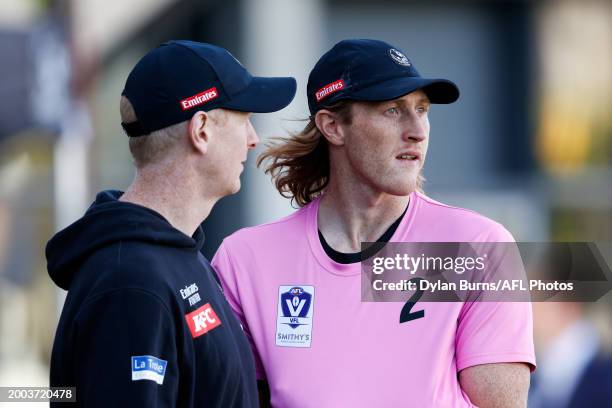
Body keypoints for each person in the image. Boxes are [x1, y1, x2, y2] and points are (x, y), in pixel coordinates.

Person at [212, 39, 536, 407]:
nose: (418, 130)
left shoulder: (482, 247)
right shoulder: (245, 259)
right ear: (332, 126)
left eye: (422, 109)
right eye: (393, 110)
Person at [46, 40, 296, 407]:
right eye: (245, 118)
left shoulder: (175, 256)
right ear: (202, 130)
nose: (253, 139)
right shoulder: (130, 284)